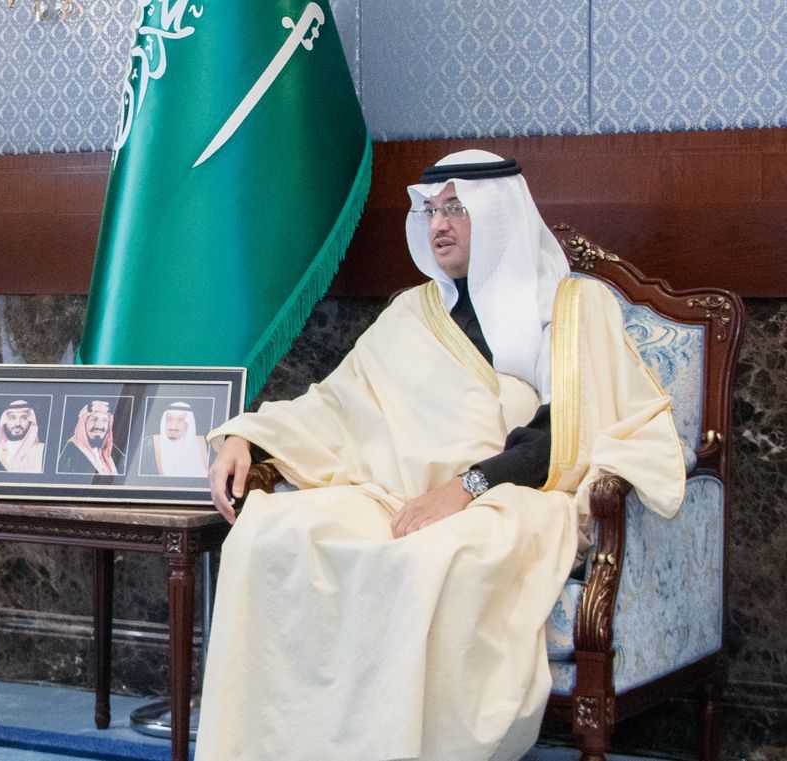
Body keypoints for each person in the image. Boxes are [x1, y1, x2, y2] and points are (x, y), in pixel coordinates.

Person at [195, 151, 686, 760]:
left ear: (499, 213)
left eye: (456, 208)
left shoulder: (570, 305)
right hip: (398, 493)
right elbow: (337, 404)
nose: (439, 224)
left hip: (514, 499)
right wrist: (246, 438)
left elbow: (564, 430)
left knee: (428, 557)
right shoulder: (412, 311)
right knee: (271, 531)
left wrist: (464, 488)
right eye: (430, 210)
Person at [138, 401, 209, 477]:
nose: (173, 426)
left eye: (180, 420)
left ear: (188, 424)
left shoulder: (204, 445)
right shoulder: (148, 445)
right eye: (169, 419)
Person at [56, 399, 127, 475]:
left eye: (105, 421)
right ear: (84, 423)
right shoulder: (69, 453)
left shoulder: (116, 453)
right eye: (94, 419)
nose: (99, 426)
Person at [0, 399, 46, 473]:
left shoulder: (44, 452)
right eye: (12, 417)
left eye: (24, 418)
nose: (17, 423)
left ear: (31, 422)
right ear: (4, 421)